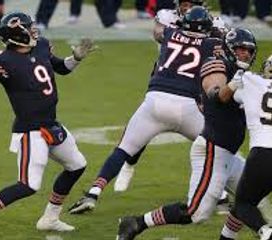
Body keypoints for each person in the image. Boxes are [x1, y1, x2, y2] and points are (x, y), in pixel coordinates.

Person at [68, 2, 230, 215]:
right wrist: (217, 32)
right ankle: (229, 196)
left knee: (122, 149)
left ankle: (93, 193)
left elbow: (160, 34)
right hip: (188, 105)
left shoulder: (171, 32)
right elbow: (225, 49)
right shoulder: (212, 42)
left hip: (156, 100)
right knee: (219, 148)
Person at [0, 12, 95, 240]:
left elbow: (61, 68)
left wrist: (76, 58)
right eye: (29, 28)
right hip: (30, 131)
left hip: (51, 124)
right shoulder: (1, 60)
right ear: (18, 35)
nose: (34, 31)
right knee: (29, 185)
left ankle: (50, 218)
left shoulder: (41, 46)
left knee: (77, 165)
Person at [116, 27, 260, 240]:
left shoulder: (245, 76)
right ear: (229, 48)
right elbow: (216, 93)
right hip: (213, 151)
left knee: (252, 196)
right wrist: (232, 85)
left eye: (249, 50)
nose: (245, 54)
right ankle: (136, 223)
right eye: (240, 49)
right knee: (196, 213)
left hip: (230, 154)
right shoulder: (216, 65)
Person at [219, 55, 272, 240]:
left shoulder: (251, 81)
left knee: (243, 204)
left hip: (264, 154)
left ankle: (266, 232)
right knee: (248, 201)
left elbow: (225, 96)